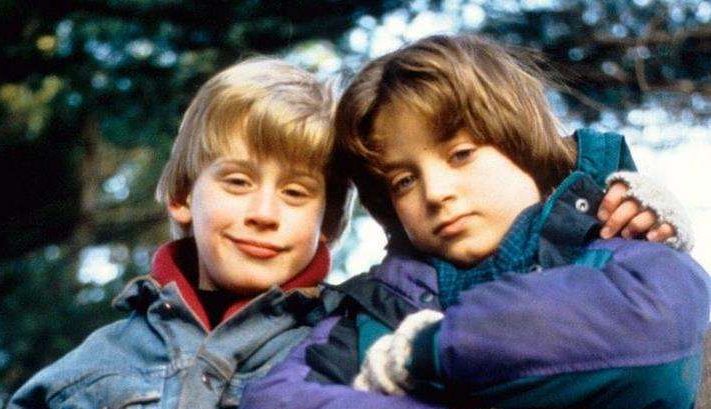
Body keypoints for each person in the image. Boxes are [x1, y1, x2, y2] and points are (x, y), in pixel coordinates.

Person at [240, 35, 708, 408]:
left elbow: (650, 338)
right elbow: (278, 399)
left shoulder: (621, 237)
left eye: (460, 154)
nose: (435, 192)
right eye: (404, 181)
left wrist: (425, 353)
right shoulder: (374, 311)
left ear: (522, 144)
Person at [8, 57, 352, 408]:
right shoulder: (86, 377)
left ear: (327, 221)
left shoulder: (354, 352)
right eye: (238, 182)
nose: (264, 214)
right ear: (181, 195)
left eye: (294, 192)